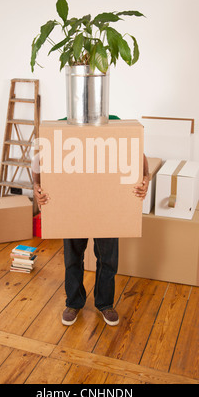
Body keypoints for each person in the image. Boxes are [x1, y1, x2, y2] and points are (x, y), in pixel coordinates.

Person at [33, 137, 149, 327]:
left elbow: (139, 155)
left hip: (107, 206)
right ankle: (73, 303)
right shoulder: (65, 127)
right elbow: (39, 158)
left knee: (108, 259)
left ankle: (105, 303)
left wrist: (146, 179)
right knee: (73, 257)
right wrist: (36, 185)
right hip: (73, 205)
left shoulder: (113, 125)